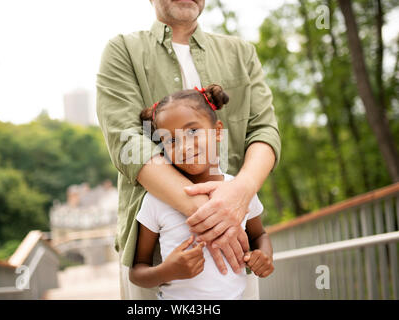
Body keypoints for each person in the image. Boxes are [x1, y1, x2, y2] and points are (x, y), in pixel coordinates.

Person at [96, 0, 281, 299]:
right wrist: (217, 218)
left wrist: (242, 192)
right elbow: (127, 139)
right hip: (160, 258)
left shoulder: (241, 53)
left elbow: (264, 130)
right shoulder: (123, 50)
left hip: (235, 256)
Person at [129, 84, 274, 300]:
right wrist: (167, 271)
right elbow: (137, 271)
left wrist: (264, 255)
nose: (184, 147)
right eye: (171, 140)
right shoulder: (156, 201)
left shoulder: (239, 191)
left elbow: (259, 235)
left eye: (193, 131)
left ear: (217, 131)